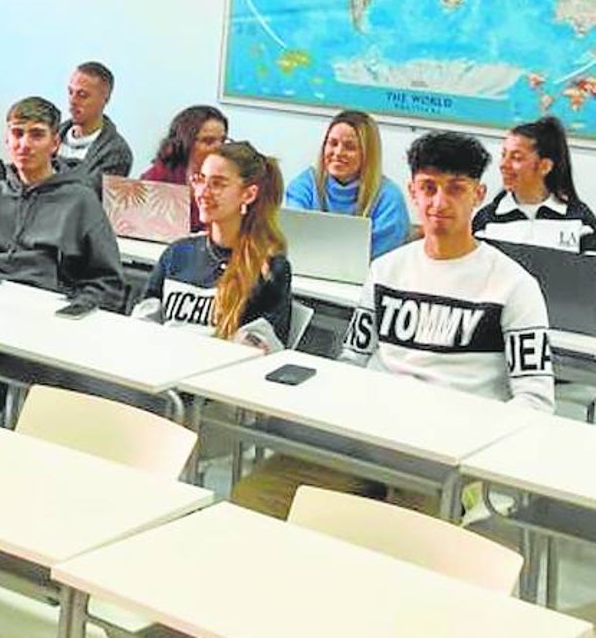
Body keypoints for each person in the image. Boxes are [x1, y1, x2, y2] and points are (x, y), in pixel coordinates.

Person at [232, 131, 554, 519]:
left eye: (456, 189)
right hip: (365, 441)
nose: (440, 202)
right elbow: (353, 360)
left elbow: (534, 401)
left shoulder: (514, 286)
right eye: (428, 188)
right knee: (252, 500)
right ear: (413, 192)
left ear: (478, 195)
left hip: (447, 462)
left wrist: (475, 451)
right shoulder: (387, 270)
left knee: (399, 543)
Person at [0, 96, 125, 421]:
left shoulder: (80, 201)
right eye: (17, 134)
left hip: (44, 326)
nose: (24, 144)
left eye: (36, 134)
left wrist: (68, 314)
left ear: (54, 143)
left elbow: (109, 283)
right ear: (7, 140)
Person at [133, 141, 291, 350]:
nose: (203, 193)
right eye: (200, 180)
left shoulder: (270, 268)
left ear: (249, 194)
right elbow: (142, 322)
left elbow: (258, 348)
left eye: (217, 184)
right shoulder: (177, 253)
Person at [285, 110, 410, 258]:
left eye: (349, 147)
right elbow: (294, 239)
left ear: (368, 154)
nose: (338, 152)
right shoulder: (304, 185)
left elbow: (382, 260)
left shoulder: (390, 199)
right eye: (333, 143)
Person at [473, 115, 596, 252]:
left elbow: (590, 270)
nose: (504, 165)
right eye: (504, 155)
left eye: (516, 158)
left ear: (545, 166)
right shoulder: (487, 220)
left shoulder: (579, 218)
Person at [141, 105, 228, 231]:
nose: (219, 147)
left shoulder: (231, 180)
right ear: (186, 142)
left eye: (223, 140)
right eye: (208, 141)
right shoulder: (161, 175)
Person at [57, 61, 133, 190]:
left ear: (105, 99)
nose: (72, 101)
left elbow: (86, 198)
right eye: (70, 92)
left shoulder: (116, 153)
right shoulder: (51, 135)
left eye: (82, 95)